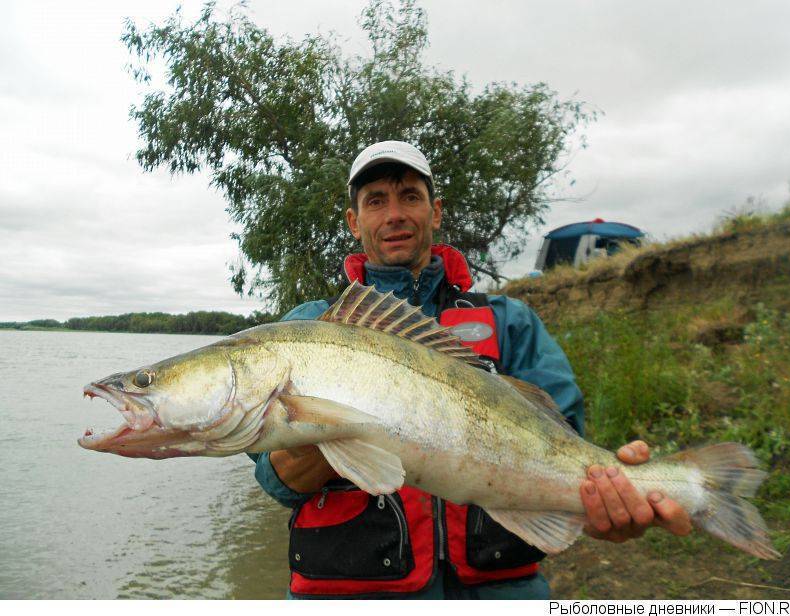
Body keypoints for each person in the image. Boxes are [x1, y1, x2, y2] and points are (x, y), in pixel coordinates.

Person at [248, 141, 692, 599]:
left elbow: (567, 442)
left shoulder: (509, 321)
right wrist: (336, 423)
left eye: (410, 197)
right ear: (353, 221)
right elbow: (274, 482)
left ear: (435, 212)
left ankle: (686, 484)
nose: (394, 214)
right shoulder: (305, 329)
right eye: (375, 200)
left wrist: (607, 501)